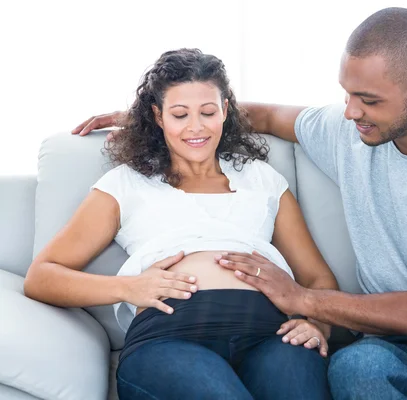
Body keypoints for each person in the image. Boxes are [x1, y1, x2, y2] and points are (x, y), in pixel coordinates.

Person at [72, 8, 407, 400]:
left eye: (369, 100)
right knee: (355, 367)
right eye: (347, 94)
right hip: (392, 348)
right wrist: (154, 116)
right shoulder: (351, 133)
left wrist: (305, 302)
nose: (350, 111)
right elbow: (268, 115)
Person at [26, 48, 338, 400]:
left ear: (225, 112)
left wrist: (317, 325)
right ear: (158, 117)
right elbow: (42, 277)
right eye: (179, 114)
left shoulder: (262, 178)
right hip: (170, 337)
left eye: (208, 112)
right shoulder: (125, 183)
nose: (195, 127)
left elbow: (318, 279)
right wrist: (128, 288)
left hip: (273, 333)